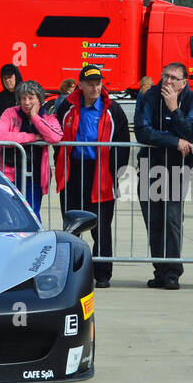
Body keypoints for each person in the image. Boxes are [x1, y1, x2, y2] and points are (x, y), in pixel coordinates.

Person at [54, 64, 130, 289]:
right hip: (73, 172)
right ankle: (73, 271)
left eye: (98, 83)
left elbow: (123, 142)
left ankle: (103, 273)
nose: (96, 87)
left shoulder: (112, 109)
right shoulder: (66, 107)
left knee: (101, 226)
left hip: (101, 173)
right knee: (72, 225)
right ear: (81, 85)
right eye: (90, 83)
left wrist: (114, 169)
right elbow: (56, 134)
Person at [133, 62, 193, 290]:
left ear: (184, 82)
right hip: (149, 165)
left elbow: (192, 133)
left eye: (174, 78)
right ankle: (160, 269)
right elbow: (143, 131)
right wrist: (174, 140)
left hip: (177, 167)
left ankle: (173, 271)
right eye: (165, 76)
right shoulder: (149, 97)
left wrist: (174, 108)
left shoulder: (192, 101)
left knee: (172, 220)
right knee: (153, 220)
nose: (168, 81)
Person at [0, 80, 62, 216]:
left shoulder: (47, 117)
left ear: (39, 100)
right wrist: (33, 137)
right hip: (9, 175)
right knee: (8, 216)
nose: (26, 102)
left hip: (35, 177)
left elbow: (55, 137)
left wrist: (34, 117)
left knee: (31, 216)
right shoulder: (10, 113)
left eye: (31, 98)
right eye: (23, 98)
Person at [0, 63, 22, 134]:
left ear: (16, 77)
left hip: (25, 141)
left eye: (10, 77)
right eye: (5, 78)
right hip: (5, 141)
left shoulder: (26, 95)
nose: (7, 81)